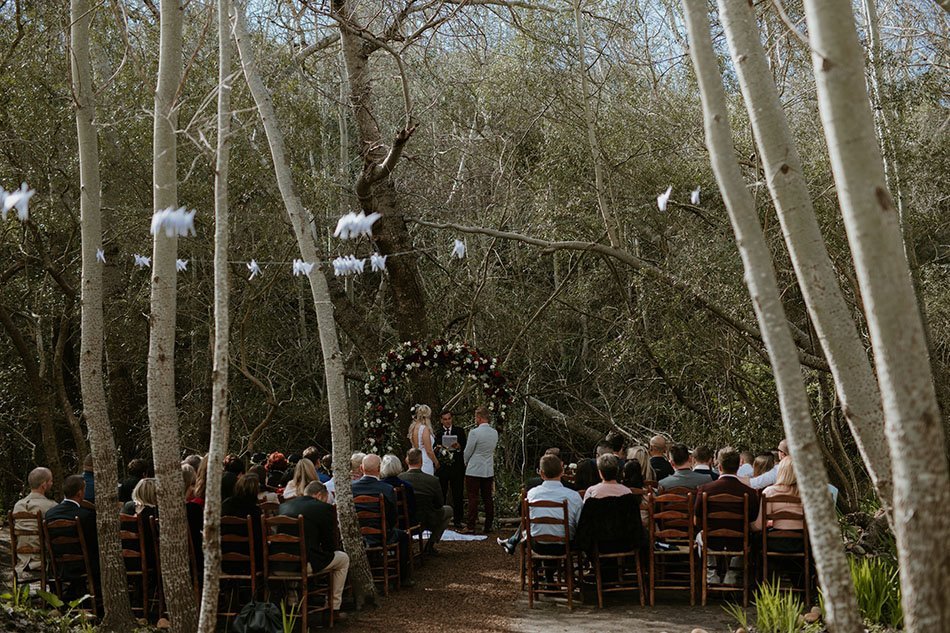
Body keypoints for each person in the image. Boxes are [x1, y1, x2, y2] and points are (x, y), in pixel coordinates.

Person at [278, 481, 350, 619]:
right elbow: (330, 544)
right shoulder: (322, 508)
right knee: (343, 559)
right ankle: (333, 607)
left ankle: (293, 602)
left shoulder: (284, 506)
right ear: (319, 495)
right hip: (303, 565)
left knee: (296, 553)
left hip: (277, 564)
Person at [694, 449, 760, 586]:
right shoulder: (749, 492)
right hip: (739, 541)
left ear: (719, 467)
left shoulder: (705, 489)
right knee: (748, 538)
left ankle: (711, 573)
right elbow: (752, 521)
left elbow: (697, 520)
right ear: (738, 467)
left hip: (711, 540)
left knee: (701, 535)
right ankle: (732, 574)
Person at [352, 454, 412, 585]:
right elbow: (392, 517)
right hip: (382, 535)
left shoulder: (351, 488)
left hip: (357, 535)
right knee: (404, 536)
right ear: (379, 469)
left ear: (361, 468)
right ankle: (403, 577)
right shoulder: (387, 489)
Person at [46, 474, 99, 598]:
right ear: (80, 493)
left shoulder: (50, 514)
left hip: (57, 565)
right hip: (81, 565)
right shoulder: (85, 515)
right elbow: (93, 543)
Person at [525, 455, 583, 554]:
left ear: (541, 473)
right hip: (565, 546)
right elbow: (580, 523)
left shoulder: (531, 494)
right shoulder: (573, 496)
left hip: (538, 545)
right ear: (562, 472)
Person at [399, 449, 453, 551]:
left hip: (404, 520)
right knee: (449, 510)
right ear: (421, 462)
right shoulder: (432, 480)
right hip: (428, 520)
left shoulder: (399, 479)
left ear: (407, 460)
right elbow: (439, 503)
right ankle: (431, 543)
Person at [12, 467, 57, 577]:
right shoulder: (51, 506)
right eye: (51, 481)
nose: (52, 483)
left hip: (22, 560)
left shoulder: (18, 505)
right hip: (42, 560)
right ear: (44, 485)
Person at [463, 406, 499, 533]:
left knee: (473, 497)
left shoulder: (474, 433)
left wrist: (465, 462)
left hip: (474, 469)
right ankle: (488, 525)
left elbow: (468, 451)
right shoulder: (494, 433)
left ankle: (471, 525)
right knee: (487, 497)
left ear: (479, 418)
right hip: (487, 468)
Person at [221, 474, 264, 574]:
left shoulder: (226, 505)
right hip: (249, 561)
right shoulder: (255, 511)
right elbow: (259, 538)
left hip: (225, 559)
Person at [434, 410, 467, 529]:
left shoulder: (459, 431)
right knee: (441, 493)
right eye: (445, 419)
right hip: (443, 468)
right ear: (441, 420)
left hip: (457, 468)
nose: (447, 421)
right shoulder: (438, 433)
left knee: (458, 494)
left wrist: (458, 447)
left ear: (452, 419)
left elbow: (464, 446)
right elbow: (434, 449)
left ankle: (458, 519)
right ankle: (441, 519)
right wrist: (438, 448)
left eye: (449, 419)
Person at [380, 454, 416, 526]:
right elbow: (412, 509)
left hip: (384, 524)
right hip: (404, 524)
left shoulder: (379, 486)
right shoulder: (407, 486)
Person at [408, 405, 439, 476]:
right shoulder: (424, 429)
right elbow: (429, 451)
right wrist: (436, 462)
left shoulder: (414, 427)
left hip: (416, 459)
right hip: (425, 460)